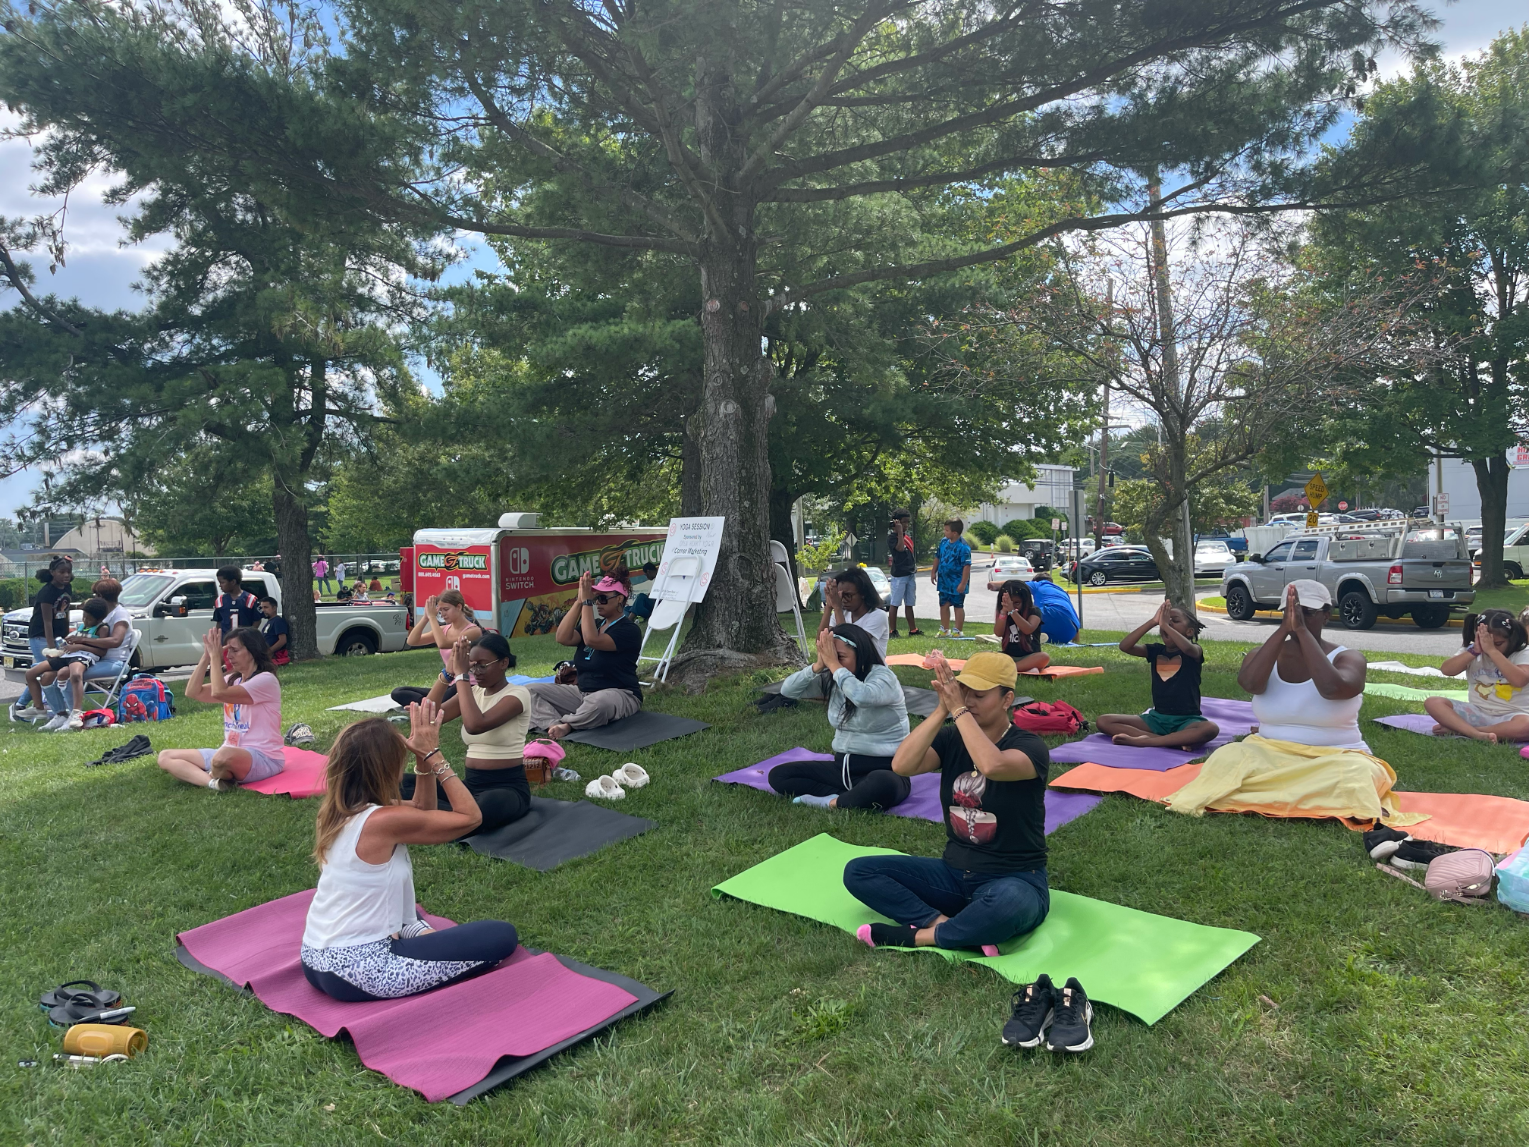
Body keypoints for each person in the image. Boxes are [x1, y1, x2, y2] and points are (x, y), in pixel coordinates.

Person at [299, 705, 519, 1002]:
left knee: (406, 909)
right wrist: (434, 755)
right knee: (500, 935)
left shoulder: (338, 812)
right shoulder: (385, 820)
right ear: (388, 766)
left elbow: (423, 811)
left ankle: (416, 932)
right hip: (360, 972)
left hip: (315, 960)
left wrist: (421, 762)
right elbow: (470, 818)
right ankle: (419, 937)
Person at [1164, 581, 1422, 826]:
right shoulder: (1261, 654)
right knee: (1227, 757)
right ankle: (1303, 799)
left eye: (1306, 613)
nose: (1296, 618)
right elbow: (1251, 684)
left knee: (1356, 777)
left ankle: (1272, 796)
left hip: (1337, 756)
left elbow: (1332, 689)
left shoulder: (1349, 658)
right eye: (1289, 613)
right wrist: (1284, 631)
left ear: (1326, 614)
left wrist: (1300, 631)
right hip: (1268, 752)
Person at [843, 651, 1050, 956]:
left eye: (979, 695)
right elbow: (902, 765)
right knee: (859, 872)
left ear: (1007, 700)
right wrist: (941, 710)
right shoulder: (952, 738)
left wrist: (959, 710)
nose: (968, 701)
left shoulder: (1030, 747)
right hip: (953, 875)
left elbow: (992, 765)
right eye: (964, 692)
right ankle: (946, 925)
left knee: (1011, 905)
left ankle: (917, 938)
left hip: (1014, 878)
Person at [398, 634, 533, 835]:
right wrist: (448, 674)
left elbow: (475, 725)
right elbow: (432, 716)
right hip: (470, 786)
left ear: (504, 663)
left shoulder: (517, 694)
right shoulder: (475, 692)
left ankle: (425, 814)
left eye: (482, 665)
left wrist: (462, 676)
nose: (476, 672)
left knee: (483, 809)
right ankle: (442, 814)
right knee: (401, 783)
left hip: (507, 788)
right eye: (472, 666)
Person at [768, 624, 912, 811]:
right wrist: (818, 665)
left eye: (840, 657)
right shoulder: (834, 677)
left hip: (887, 769)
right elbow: (788, 690)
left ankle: (832, 803)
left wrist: (835, 666)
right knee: (779, 775)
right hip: (842, 770)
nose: (833, 663)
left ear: (861, 655)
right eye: (830, 657)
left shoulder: (884, 678)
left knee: (882, 783)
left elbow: (862, 696)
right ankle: (848, 796)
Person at [157, 627, 284, 790]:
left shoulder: (266, 680)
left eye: (235, 650)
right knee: (165, 756)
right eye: (227, 650)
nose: (229, 656)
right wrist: (206, 657)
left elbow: (219, 692)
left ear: (252, 651)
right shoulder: (233, 679)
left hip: (264, 757)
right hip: (230, 750)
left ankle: (212, 773)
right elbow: (192, 692)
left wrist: (216, 660)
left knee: (220, 758)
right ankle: (213, 783)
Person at [527, 569, 643, 739]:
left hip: (620, 693)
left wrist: (587, 602)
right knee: (527, 691)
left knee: (599, 703)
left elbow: (591, 640)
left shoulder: (629, 630)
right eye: (596, 598)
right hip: (583, 694)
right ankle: (553, 724)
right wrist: (579, 601)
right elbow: (562, 637)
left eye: (603, 598)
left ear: (619, 599)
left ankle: (569, 725)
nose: (598, 603)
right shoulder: (594, 624)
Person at [1097, 601, 1218, 748]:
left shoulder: (1194, 651)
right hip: (1156, 719)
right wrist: (1153, 621)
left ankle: (1151, 741)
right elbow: (1125, 646)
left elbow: (1188, 649)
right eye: (1165, 620)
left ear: (1189, 632)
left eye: (1175, 621)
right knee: (1104, 721)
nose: (1167, 623)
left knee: (1210, 729)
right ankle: (1172, 740)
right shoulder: (1156, 651)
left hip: (1186, 721)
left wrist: (1166, 625)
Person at [1424, 609, 1529, 743]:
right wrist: (1474, 651)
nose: (1490, 648)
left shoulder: (1523, 652)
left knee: (1526, 726)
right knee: (1433, 702)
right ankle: (1474, 732)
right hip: (1478, 712)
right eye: (1485, 642)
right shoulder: (1472, 650)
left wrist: (1492, 651)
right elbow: (1447, 670)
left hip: (1513, 715)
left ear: (1511, 638)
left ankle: (1463, 730)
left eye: (1498, 644)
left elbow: (1519, 680)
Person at [24, 596, 110, 731]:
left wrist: (80, 646)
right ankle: (39, 708)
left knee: (75, 675)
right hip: (69, 655)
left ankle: (76, 713)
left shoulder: (102, 628)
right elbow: (73, 642)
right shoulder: (83, 626)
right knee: (31, 673)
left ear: (98, 619)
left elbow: (102, 652)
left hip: (83, 656)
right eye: (84, 617)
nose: (85, 621)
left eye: (89, 619)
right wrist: (64, 647)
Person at [391, 590, 483, 708]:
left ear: (458, 607)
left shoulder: (473, 631)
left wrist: (432, 618)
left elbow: (443, 643)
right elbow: (412, 641)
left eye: (446, 609)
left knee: (439, 701)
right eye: (440, 611)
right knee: (398, 692)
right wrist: (425, 618)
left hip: (468, 683)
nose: (443, 614)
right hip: (448, 683)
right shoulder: (444, 629)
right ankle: (426, 704)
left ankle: (426, 705)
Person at [818, 566, 890, 659]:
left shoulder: (878, 615)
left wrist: (837, 608)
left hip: (872, 670)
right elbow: (820, 641)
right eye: (839, 595)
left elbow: (851, 647)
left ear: (863, 593)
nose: (843, 600)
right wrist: (828, 606)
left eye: (848, 595)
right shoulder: (841, 613)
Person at [992, 580, 1050, 674]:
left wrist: (1012, 611)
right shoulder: (1005, 613)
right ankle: (1024, 669)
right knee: (984, 655)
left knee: (1044, 657)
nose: (1013, 606)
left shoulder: (1034, 611)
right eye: (1009, 603)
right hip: (1009, 656)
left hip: (1029, 656)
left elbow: (1028, 629)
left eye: (1017, 603)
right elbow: (998, 633)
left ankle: (1011, 669)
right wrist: (1003, 612)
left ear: (1025, 601)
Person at [27, 556, 73, 669]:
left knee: (55, 674)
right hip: (41, 636)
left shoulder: (68, 587)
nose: (66, 575)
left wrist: (66, 637)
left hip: (59, 636)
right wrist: (51, 649)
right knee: (48, 671)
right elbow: (47, 621)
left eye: (69, 572)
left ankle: (33, 685)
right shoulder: (47, 592)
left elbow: (66, 613)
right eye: (61, 572)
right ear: (52, 572)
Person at [930, 518, 971, 637]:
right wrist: (934, 571)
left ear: (955, 533)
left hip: (957, 582)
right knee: (943, 604)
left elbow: (966, 566)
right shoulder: (943, 542)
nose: (944, 532)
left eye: (947, 530)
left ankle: (958, 630)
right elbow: (937, 557)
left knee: (958, 605)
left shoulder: (963, 547)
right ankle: (944, 629)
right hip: (944, 581)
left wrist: (963, 583)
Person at [886, 509, 922, 638]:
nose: (906, 525)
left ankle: (913, 629)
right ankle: (893, 630)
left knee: (909, 603)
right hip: (899, 575)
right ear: (897, 522)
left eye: (908, 522)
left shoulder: (906, 536)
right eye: (904, 522)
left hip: (910, 573)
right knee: (895, 603)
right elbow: (900, 549)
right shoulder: (892, 538)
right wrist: (899, 532)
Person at [213, 566, 262, 637]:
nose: (220, 585)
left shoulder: (250, 599)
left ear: (233, 582)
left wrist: (249, 636)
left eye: (222, 582)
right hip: (226, 641)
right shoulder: (220, 600)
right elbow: (219, 622)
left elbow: (257, 620)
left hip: (244, 641)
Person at [260, 596, 291, 666]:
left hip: (274, 655)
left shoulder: (278, 621)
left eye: (266, 607)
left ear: (274, 608)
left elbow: (282, 640)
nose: (263, 610)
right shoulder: (269, 622)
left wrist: (269, 651)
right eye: (262, 607)